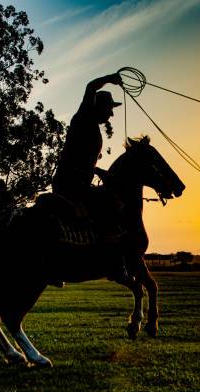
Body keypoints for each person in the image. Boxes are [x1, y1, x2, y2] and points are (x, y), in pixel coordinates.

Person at [51, 73, 130, 284]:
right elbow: (90, 86)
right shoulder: (84, 116)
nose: (111, 114)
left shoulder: (89, 125)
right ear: (99, 106)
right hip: (71, 184)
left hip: (73, 180)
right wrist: (112, 78)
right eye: (109, 108)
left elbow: (78, 158)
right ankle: (115, 264)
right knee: (113, 203)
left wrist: (96, 171)